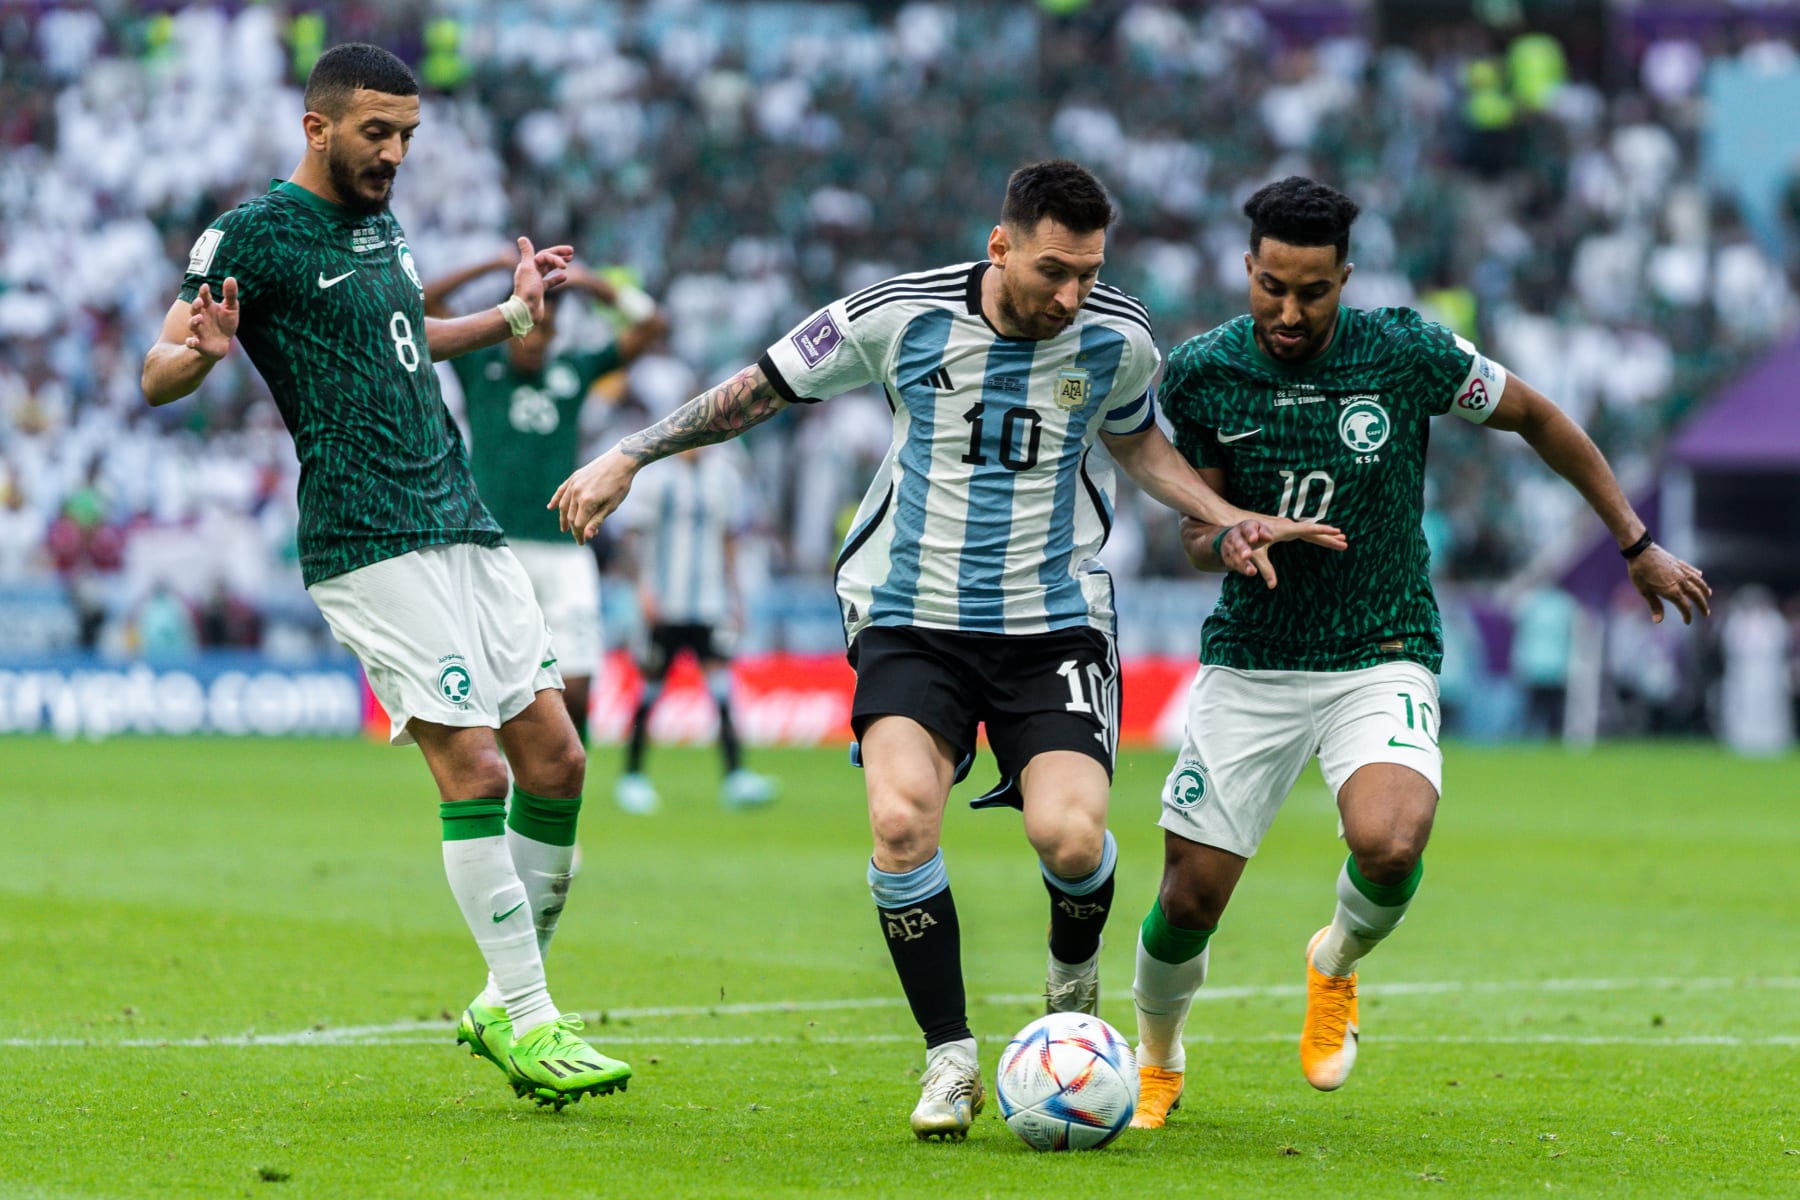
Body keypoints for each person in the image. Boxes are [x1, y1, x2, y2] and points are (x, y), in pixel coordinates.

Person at [551, 159, 1341, 1140]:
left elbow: (1137, 443)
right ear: (999, 245)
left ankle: (1072, 985)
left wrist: (1224, 515)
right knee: (899, 822)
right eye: (1055, 270)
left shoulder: (1118, 338)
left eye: (1089, 273)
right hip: (910, 614)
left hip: (1052, 620)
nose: (1072, 295)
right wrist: (630, 453)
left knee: (1072, 839)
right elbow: (760, 389)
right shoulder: (898, 317)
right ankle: (950, 1057)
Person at [1126, 177, 1712, 1130]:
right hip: (1256, 657)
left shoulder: (1406, 350)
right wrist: (1229, 535)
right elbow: (1197, 528)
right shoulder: (1202, 374)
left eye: (1312, 291)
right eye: (1271, 285)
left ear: (1344, 279)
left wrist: (1637, 544)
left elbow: (1539, 419)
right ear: (1248, 268)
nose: (1288, 309)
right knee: (1190, 896)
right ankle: (1154, 1060)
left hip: (1382, 646)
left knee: (1392, 843)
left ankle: (1335, 964)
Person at [139, 43, 631, 1109]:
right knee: (477, 772)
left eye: (407, 135)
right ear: (317, 127)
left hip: (459, 517)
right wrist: (208, 350)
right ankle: (533, 1017)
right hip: (367, 538)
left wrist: (511, 315)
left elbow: (407, 338)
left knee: (557, 762)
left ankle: (508, 998)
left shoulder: (382, 224)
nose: (396, 152)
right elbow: (157, 372)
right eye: (377, 132)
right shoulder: (252, 233)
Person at [424, 254, 669, 744]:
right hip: (495, 549)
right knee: (495, 686)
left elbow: (653, 326)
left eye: (546, 329)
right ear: (511, 322)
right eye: (528, 326)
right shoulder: (478, 363)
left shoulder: (573, 373)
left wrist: (593, 283)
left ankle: (560, 785)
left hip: (564, 546)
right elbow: (424, 306)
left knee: (576, 690)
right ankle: (511, 789)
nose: (536, 338)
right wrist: (490, 265)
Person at [615, 445, 778, 814]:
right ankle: (632, 776)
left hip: (709, 603)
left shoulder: (724, 478)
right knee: (651, 689)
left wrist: (736, 597)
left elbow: (729, 539)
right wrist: (641, 590)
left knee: (721, 689)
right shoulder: (656, 478)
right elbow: (632, 539)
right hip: (664, 604)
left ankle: (736, 777)